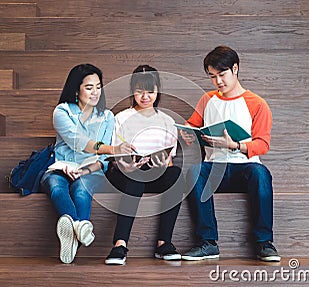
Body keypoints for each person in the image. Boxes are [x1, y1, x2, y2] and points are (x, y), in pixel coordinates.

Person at [180, 46, 281, 262]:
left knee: (261, 174)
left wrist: (234, 145)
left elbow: (262, 145)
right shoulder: (207, 100)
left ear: (235, 69)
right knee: (194, 172)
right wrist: (187, 134)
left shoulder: (257, 104)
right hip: (215, 168)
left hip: (244, 168)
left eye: (222, 75)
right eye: (212, 77)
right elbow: (192, 125)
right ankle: (207, 243)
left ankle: (265, 243)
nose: (218, 82)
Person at [40, 64, 133, 264]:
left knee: (82, 190)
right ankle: (80, 229)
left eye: (98, 87)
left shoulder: (107, 117)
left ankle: (72, 235)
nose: (95, 92)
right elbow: (79, 142)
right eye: (89, 87)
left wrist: (85, 170)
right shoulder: (62, 111)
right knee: (56, 187)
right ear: (76, 89)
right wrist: (114, 149)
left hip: (92, 171)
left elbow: (102, 161)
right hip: (61, 166)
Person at [104, 65, 185, 265]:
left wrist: (164, 164)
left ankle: (164, 243)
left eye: (150, 91)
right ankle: (119, 245)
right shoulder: (120, 118)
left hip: (154, 172)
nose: (145, 96)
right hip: (124, 173)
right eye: (140, 91)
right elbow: (113, 156)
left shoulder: (167, 120)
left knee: (176, 175)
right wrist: (125, 165)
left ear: (158, 91)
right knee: (136, 177)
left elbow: (170, 159)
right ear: (133, 91)